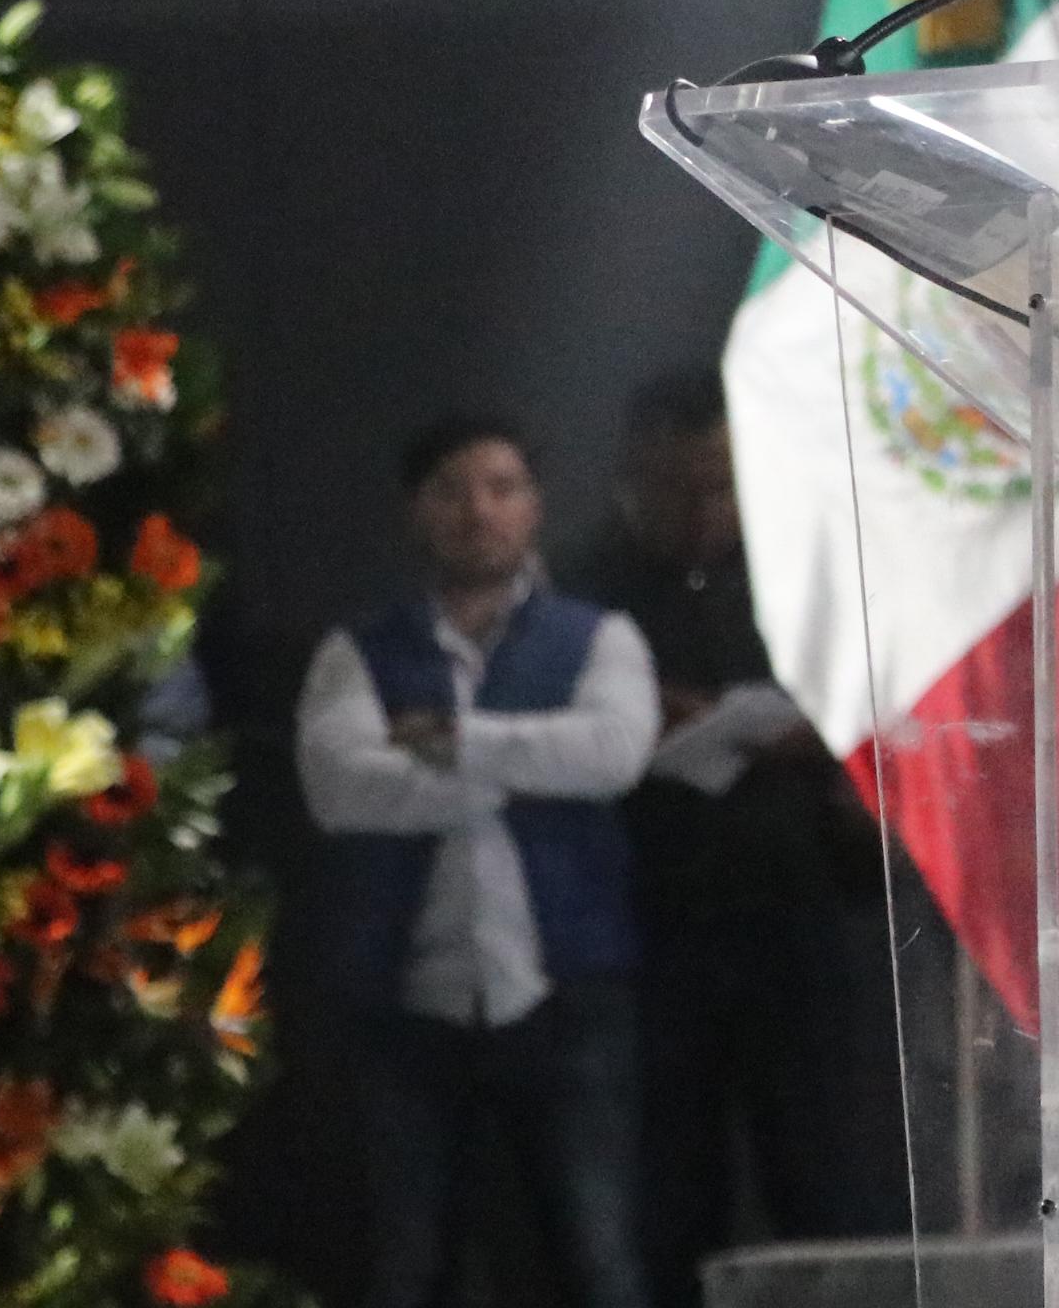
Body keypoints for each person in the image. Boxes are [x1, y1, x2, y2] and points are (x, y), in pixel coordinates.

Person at [301, 415, 660, 1308]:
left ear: (535, 507)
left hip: (566, 992)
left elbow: (615, 754)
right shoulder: (360, 649)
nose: (479, 512)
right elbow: (342, 789)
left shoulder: (599, 637)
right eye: (453, 492)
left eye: (502, 489)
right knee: (409, 1268)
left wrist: (454, 743)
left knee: (601, 1262)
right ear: (416, 511)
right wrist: (522, 773)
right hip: (410, 1002)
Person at [583, 370, 894, 1308]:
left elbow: (865, 701)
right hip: (650, 929)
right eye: (679, 490)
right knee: (671, 1194)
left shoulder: (796, 575)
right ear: (632, 478)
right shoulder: (586, 591)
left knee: (822, 1178)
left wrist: (798, 733)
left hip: (799, 914)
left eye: (721, 487)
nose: (704, 511)